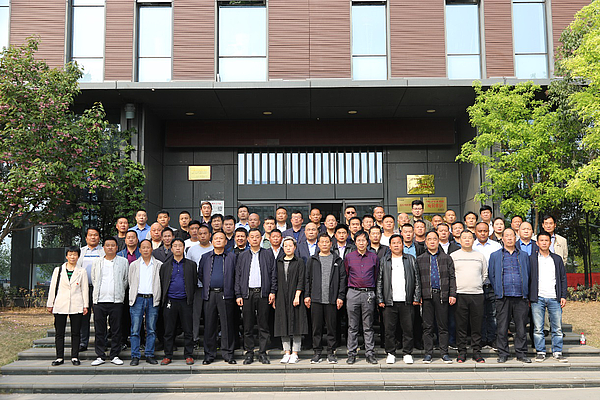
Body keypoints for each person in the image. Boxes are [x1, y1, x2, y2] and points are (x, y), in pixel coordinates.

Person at [488, 228, 531, 363]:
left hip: (520, 296)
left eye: (512, 236)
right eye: (506, 236)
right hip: (503, 296)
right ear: (503, 239)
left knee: (521, 327)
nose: (509, 238)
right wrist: (498, 289)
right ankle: (503, 353)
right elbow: (491, 275)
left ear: (515, 238)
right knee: (502, 327)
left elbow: (528, 273)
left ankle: (521, 353)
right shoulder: (495, 256)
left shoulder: (523, 255)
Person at [235, 228, 277, 365]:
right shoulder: (242, 256)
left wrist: (272, 291)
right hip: (247, 294)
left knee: (263, 325)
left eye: (257, 237)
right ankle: (249, 353)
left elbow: (273, 274)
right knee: (247, 325)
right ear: (248, 239)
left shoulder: (268, 254)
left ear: (261, 239)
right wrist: (238, 294)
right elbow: (238, 276)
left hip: (263, 293)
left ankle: (262, 353)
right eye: (252, 237)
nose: (254, 239)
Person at [377, 234, 420, 365]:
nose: (396, 245)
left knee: (408, 329)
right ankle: (391, 353)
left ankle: (407, 353)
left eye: (399, 243)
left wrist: (416, 296)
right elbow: (379, 281)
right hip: (389, 301)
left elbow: (417, 280)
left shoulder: (410, 259)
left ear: (402, 245)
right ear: (390, 246)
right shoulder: (384, 260)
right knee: (389, 330)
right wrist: (380, 298)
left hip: (407, 300)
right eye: (394, 243)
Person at [304, 233, 346, 364]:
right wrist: (307, 295)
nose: (324, 244)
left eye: (327, 242)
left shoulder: (337, 260)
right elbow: (307, 279)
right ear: (318, 244)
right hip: (316, 299)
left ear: (331, 244)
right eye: (322, 242)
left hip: (332, 299)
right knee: (316, 328)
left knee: (331, 328)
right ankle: (317, 352)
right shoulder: (312, 260)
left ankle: (330, 352)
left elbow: (343, 279)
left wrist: (340, 296)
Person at [417, 231, 456, 364]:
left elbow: (452, 277)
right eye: (429, 239)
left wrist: (452, 294)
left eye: (435, 239)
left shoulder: (446, 258)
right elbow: (417, 280)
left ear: (438, 241)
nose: (432, 241)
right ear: (426, 242)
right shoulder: (420, 259)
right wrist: (418, 295)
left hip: (442, 295)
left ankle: (444, 353)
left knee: (443, 326)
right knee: (427, 327)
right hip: (426, 296)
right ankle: (428, 353)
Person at [198, 232, 238, 364]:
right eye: (216, 238)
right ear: (212, 241)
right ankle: (209, 355)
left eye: (221, 238)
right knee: (209, 325)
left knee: (227, 325)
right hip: (209, 295)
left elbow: (236, 275)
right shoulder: (205, 257)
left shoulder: (232, 257)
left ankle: (228, 354)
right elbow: (201, 274)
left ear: (226, 242)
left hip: (226, 294)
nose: (219, 240)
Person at [529, 231, 568, 363]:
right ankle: (540, 351)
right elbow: (528, 279)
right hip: (538, 297)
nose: (544, 243)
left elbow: (563, 278)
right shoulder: (532, 259)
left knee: (557, 328)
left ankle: (557, 351)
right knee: (538, 328)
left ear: (550, 243)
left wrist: (563, 295)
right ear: (537, 243)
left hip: (554, 297)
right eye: (542, 240)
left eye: (546, 240)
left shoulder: (556, 259)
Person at [47, 246, 89, 366]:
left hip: (77, 304)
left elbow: (84, 289)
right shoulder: (58, 270)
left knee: (76, 332)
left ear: (78, 256)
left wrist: (85, 305)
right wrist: (50, 303)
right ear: (66, 256)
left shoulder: (82, 271)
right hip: (61, 304)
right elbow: (53, 287)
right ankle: (59, 357)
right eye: (70, 254)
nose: (72, 257)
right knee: (59, 332)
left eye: (75, 254)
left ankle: (74, 356)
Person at [90, 237, 129, 366]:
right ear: (104, 248)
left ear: (117, 247)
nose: (110, 247)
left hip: (116, 301)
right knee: (99, 330)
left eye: (113, 245)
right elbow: (94, 279)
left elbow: (125, 280)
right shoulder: (97, 262)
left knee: (116, 329)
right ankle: (100, 355)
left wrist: (119, 291)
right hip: (99, 300)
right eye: (108, 245)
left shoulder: (123, 262)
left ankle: (115, 355)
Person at [451, 230, 487, 363]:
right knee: (461, 325)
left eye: (470, 238)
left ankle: (476, 351)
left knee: (477, 325)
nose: (467, 240)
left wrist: (476, 285)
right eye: (464, 238)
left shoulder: (480, 256)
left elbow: (484, 274)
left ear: (473, 240)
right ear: (459, 240)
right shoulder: (454, 256)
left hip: (477, 294)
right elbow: (451, 275)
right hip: (460, 294)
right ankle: (461, 352)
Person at [159, 238, 197, 365]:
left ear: (184, 248)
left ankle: (189, 355)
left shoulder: (191, 265)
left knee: (188, 330)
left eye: (180, 246)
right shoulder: (165, 266)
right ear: (171, 249)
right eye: (175, 246)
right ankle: (168, 355)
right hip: (170, 300)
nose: (177, 248)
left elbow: (194, 282)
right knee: (169, 330)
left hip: (186, 301)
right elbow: (162, 282)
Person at [345, 230, 379, 364]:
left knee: (368, 326)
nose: (361, 243)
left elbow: (376, 275)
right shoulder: (349, 257)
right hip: (353, 292)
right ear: (355, 242)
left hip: (368, 293)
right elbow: (346, 274)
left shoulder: (373, 257)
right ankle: (351, 353)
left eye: (363, 240)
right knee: (352, 326)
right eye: (358, 240)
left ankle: (370, 353)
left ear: (367, 242)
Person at [274, 237, 308, 364]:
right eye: (286, 246)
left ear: (295, 247)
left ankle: (295, 353)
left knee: (297, 324)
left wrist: (297, 295)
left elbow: (301, 279)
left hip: (295, 296)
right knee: (283, 323)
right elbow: (275, 279)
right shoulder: (278, 262)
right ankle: (286, 352)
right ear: (283, 248)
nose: (288, 248)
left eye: (290, 246)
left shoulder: (299, 262)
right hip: (281, 296)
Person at [128, 239, 162, 366]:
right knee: (135, 329)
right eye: (143, 247)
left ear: (152, 249)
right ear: (140, 250)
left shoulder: (158, 265)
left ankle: (149, 354)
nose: (146, 250)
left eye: (148, 247)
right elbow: (130, 281)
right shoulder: (134, 265)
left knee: (151, 329)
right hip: (138, 299)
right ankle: (135, 355)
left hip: (152, 298)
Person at [472, 221, 502, 350]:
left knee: (493, 314)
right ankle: (482, 339)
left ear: (489, 232)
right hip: (477, 286)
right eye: (480, 231)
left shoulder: (496, 246)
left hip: (492, 285)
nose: (483, 233)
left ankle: (492, 339)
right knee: (479, 314)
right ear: (475, 232)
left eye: (485, 231)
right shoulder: (472, 246)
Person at [76, 227, 104, 353]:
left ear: (99, 237)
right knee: (84, 316)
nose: (93, 237)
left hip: (100, 288)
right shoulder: (80, 252)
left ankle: (101, 342)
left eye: (96, 235)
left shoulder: (103, 251)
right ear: (86, 237)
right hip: (84, 288)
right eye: (90, 235)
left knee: (100, 316)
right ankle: (83, 342)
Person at [187, 225, 214, 348]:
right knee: (196, 314)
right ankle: (195, 339)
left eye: (205, 233)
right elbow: (188, 268)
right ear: (197, 235)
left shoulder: (214, 248)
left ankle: (211, 339)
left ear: (210, 235)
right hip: (197, 287)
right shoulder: (192, 250)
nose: (203, 236)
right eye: (200, 234)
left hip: (212, 288)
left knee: (211, 314)